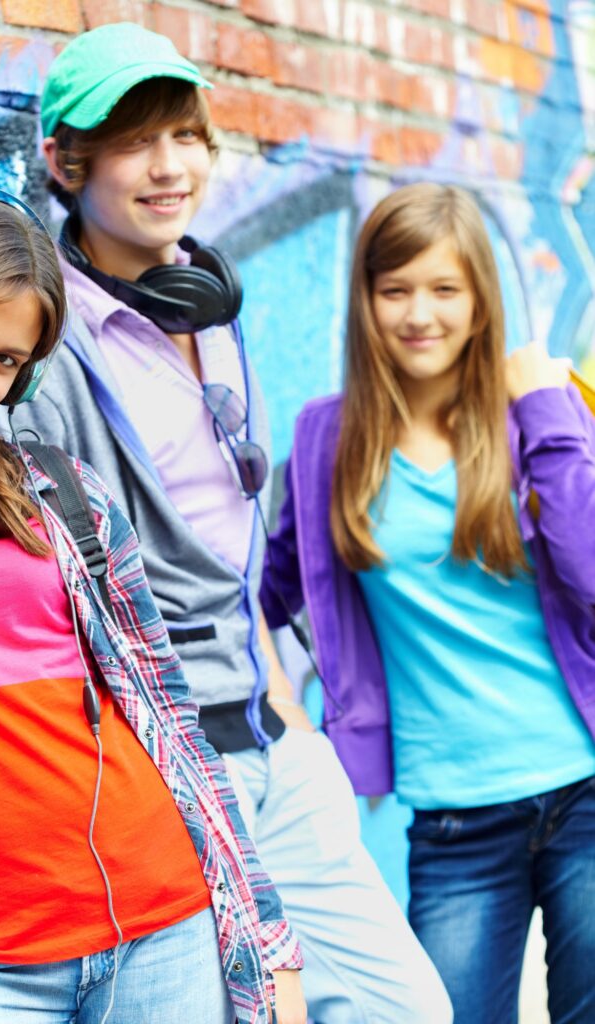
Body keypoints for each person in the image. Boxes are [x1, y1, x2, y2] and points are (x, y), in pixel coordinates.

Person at [0, 23, 452, 1024]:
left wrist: (284, 704)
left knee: (401, 1005)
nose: (171, 167)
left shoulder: (208, 300)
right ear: (65, 164)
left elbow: (233, 547)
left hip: (274, 739)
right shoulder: (45, 352)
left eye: (188, 136)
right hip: (165, 767)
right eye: (134, 142)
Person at [0, 186, 305, 1024]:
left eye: (4, 361)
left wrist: (266, 942)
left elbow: (168, 719)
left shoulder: (61, 497)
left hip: (162, 929)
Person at [261, 181, 595, 1024]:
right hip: (452, 818)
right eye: (394, 289)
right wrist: (279, 705)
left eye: (444, 289)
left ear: (479, 302)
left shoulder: (533, 417)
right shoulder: (327, 439)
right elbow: (258, 593)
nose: (419, 314)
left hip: (585, 789)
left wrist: (547, 408)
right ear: (365, 300)